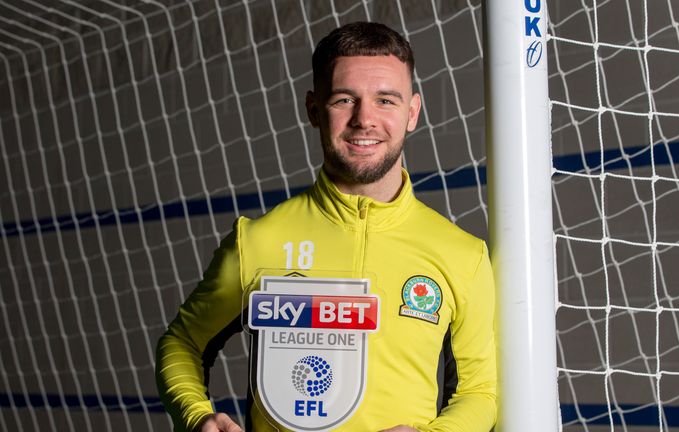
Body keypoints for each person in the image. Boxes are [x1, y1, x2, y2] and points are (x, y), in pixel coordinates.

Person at [155, 21, 496, 432]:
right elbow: (182, 343)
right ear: (314, 110)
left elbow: (481, 391)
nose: (364, 119)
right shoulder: (258, 241)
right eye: (344, 99)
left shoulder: (462, 254)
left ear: (412, 113)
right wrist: (197, 418)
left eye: (386, 100)